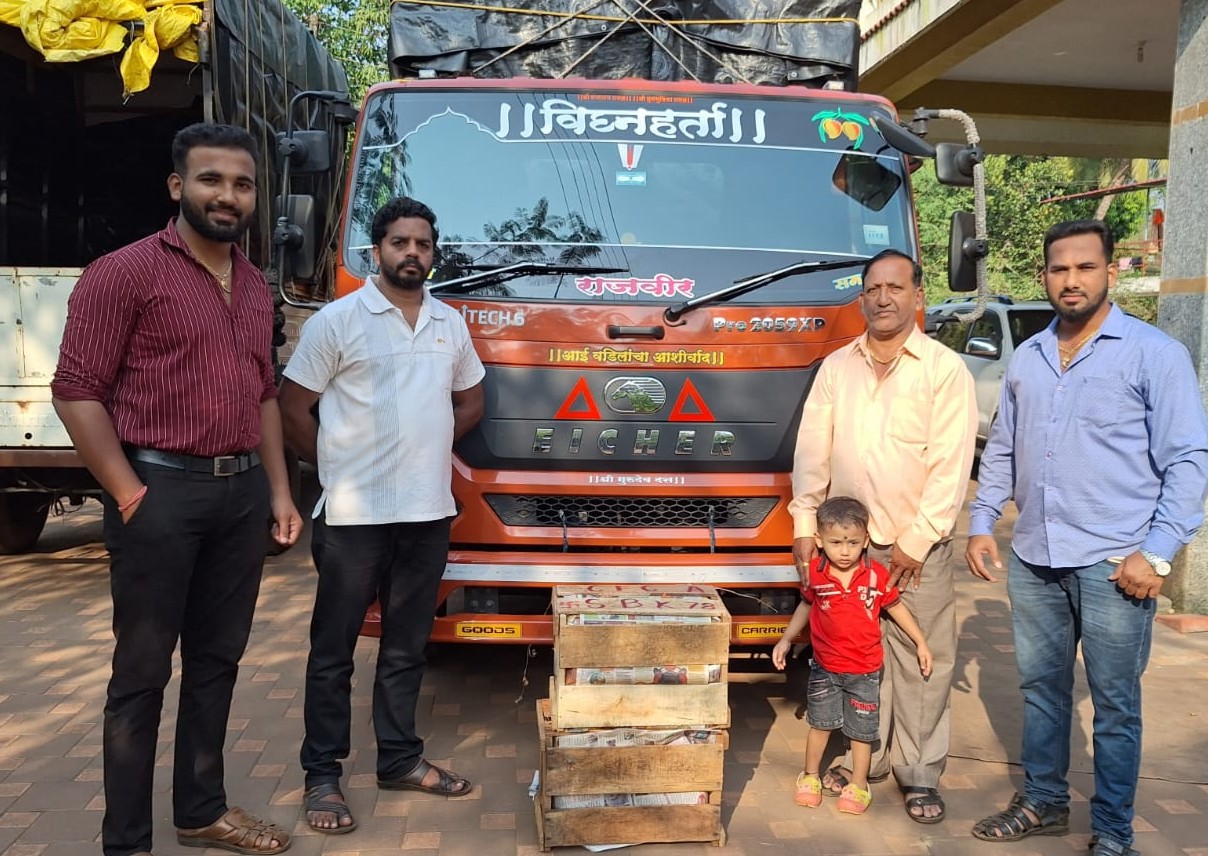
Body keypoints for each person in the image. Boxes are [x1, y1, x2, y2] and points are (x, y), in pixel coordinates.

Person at [51, 123, 302, 856]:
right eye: (211, 179)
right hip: (158, 491)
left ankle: (201, 812)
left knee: (217, 664)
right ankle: (126, 842)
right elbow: (76, 390)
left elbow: (263, 393)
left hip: (241, 495)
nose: (228, 196)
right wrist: (129, 493)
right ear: (177, 186)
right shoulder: (124, 273)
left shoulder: (254, 285)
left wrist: (279, 493)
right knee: (140, 677)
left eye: (242, 184)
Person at [966, 219, 1208, 856]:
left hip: (1115, 564)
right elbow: (1002, 448)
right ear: (1045, 275)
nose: (1071, 280)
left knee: (1115, 706)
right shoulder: (1029, 356)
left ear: (1110, 271)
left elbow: (1188, 460)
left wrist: (1157, 553)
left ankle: (1114, 833)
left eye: (1085, 267)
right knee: (1041, 692)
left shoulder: (1154, 354)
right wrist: (982, 521)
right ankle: (1044, 801)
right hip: (1035, 556)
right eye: (1059, 269)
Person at [280, 196, 485, 834]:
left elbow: (470, 401)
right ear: (377, 251)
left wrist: (425, 450)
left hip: (426, 514)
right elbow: (292, 407)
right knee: (333, 652)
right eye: (400, 242)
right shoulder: (337, 321)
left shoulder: (450, 324)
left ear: (433, 253)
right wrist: (338, 467)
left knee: (405, 648)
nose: (412, 253)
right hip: (352, 516)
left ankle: (399, 759)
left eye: (423, 244)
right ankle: (322, 776)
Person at [787, 248, 976, 823]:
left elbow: (951, 464)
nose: (883, 297)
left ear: (918, 296)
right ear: (862, 298)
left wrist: (917, 541)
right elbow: (812, 450)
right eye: (873, 288)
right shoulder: (836, 367)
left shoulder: (943, 369)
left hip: (918, 544)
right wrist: (805, 523)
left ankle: (918, 774)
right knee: (859, 656)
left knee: (920, 659)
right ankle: (867, 762)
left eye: (896, 287)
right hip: (849, 544)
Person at [772, 496, 933, 815]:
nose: (844, 551)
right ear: (819, 540)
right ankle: (810, 775)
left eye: (853, 542)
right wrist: (786, 639)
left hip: (865, 672)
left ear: (866, 540)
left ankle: (859, 783)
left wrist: (921, 642)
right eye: (836, 542)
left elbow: (896, 608)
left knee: (862, 732)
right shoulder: (816, 574)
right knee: (820, 725)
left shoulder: (876, 576)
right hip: (825, 670)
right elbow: (805, 606)